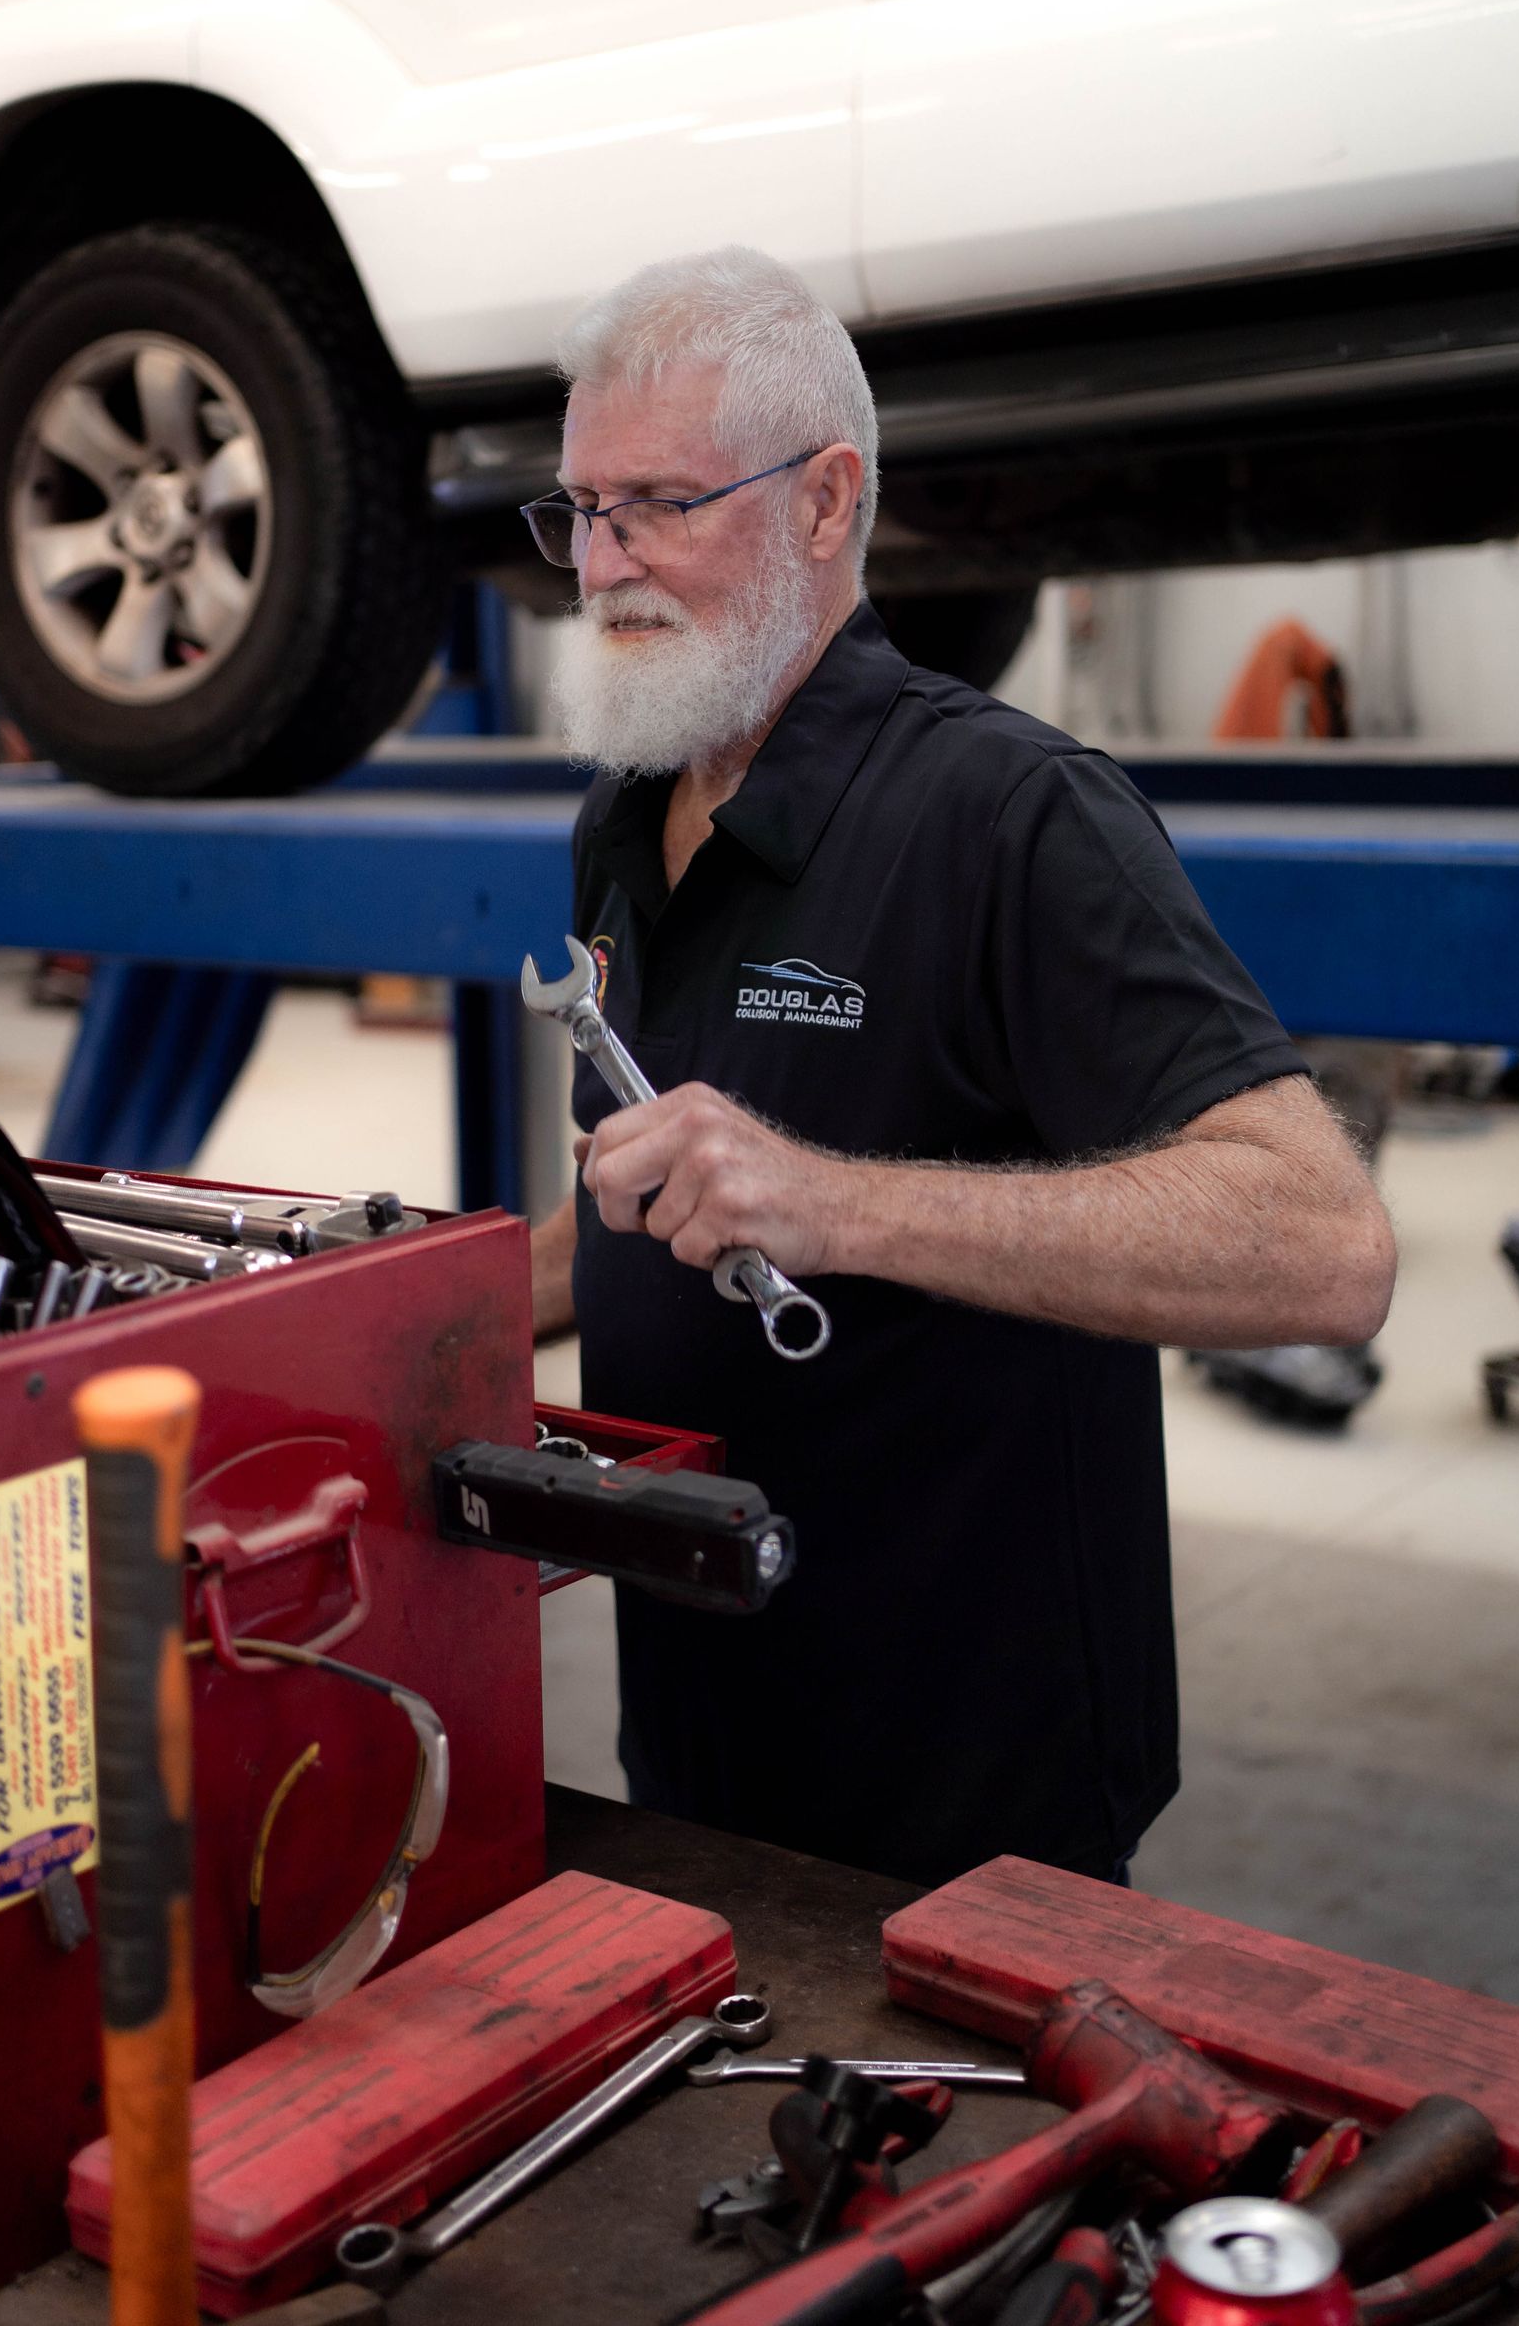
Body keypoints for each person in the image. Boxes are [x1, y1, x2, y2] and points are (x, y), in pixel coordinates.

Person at [524, 247, 1396, 1889]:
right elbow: (651, 1190)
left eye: (656, 505)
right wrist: (443, 1304)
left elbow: (1323, 1243)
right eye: (578, 511)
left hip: (969, 1805)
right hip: (700, 1749)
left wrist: (836, 1202)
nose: (602, 565)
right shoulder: (626, 814)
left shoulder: (1015, 816)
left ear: (826, 501)